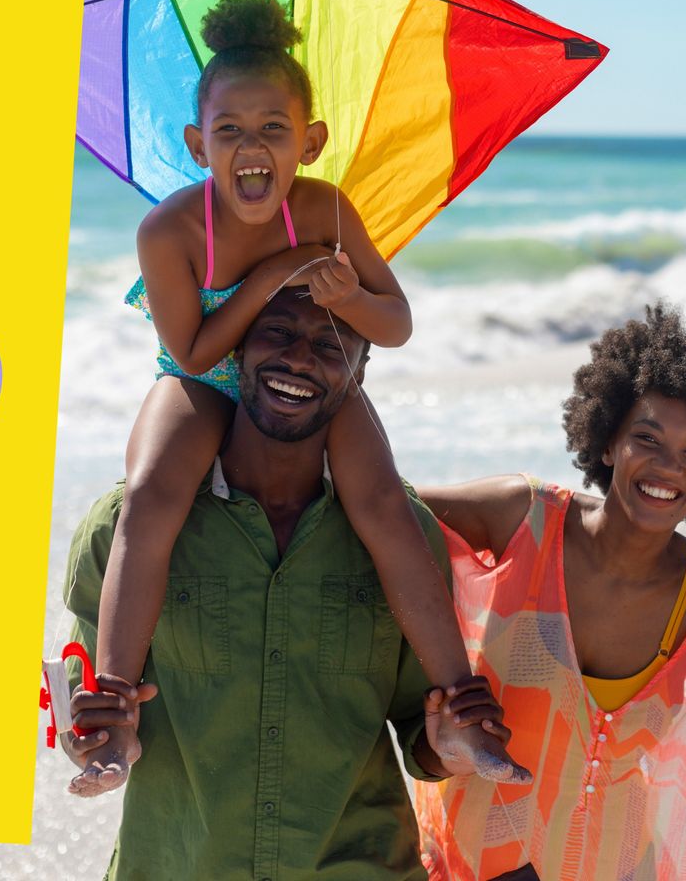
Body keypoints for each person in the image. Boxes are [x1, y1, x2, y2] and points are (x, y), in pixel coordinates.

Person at [74, 0, 526, 794]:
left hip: (308, 374)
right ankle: (112, 708)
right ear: (196, 143)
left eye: (273, 129)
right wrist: (276, 275)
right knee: (149, 497)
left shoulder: (325, 209)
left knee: (385, 502)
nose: (252, 148)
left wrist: (345, 295)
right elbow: (194, 346)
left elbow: (396, 324)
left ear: (309, 141)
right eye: (229, 132)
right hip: (203, 376)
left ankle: (462, 702)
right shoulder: (170, 231)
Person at [61, 286, 514, 879]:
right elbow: (84, 710)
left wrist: (449, 747)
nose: (300, 359)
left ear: (360, 368)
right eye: (277, 332)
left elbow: (420, 734)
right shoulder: (129, 530)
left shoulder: (400, 537)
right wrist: (93, 741)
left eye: (330, 343)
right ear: (238, 346)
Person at [415, 304, 686, 880]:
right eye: (647, 437)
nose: (668, 468)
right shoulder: (522, 519)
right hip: (462, 865)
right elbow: (382, 512)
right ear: (609, 441)